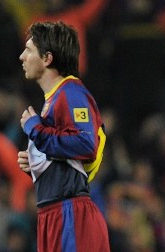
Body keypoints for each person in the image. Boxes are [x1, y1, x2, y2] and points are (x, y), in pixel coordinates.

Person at [16, 21, 110, 251]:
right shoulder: (55, 99)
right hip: (53, 213)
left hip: (71, 216)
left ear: (47, 59)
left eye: (28, 50)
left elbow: (85, 143)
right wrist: (39, 166)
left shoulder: (71, 92)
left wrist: (36, 130)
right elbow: (67, 158)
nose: (21, 56)